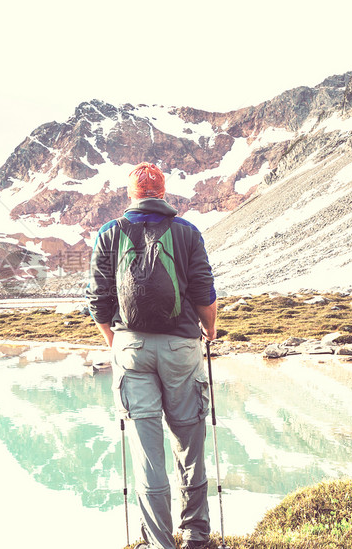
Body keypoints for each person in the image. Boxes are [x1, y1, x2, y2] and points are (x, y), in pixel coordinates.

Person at [86, 162, 218, 549]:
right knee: (189, 442)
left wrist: (115, 341)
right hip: (181, 347)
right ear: (162, 193)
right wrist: (209, 330)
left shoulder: (109, 234)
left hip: (130, 349)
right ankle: (196, 536)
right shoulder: (186, 232)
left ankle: (159, 543)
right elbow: (204, 292)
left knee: (147, 452)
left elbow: (98, 300)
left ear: (131, 195)